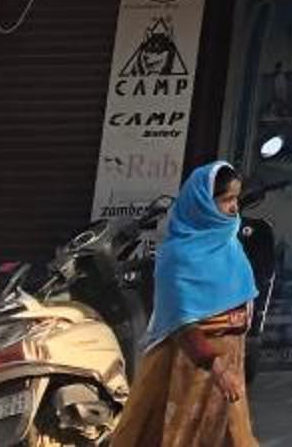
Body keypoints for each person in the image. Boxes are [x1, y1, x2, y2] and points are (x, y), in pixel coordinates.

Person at [109, 162, 258, 447]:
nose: (234, 208)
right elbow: (182, 322)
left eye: (236, 199)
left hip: (230, 361)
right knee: (183, 435)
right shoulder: (178, 255)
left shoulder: (230, 246)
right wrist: (216, 368)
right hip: (191, 366)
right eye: (226, 200)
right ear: (203, 202)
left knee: (230, 435)